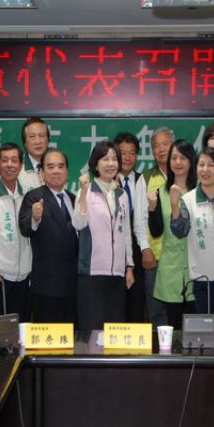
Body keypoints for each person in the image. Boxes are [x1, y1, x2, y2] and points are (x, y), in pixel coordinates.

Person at [72, 141, 134, 330]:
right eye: (105, 159)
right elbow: (78, 224)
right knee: (92, 330)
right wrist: (83, 193)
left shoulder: (122, 195)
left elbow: (126, 233)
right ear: (95, 164)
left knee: (114, 330)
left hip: (117, 274)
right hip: (92, 273)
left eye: (114, 159)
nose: (111, 164)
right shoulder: (86, 191)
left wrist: (129, 266)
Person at [170, 147, 214, 327]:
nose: (205, 170)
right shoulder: (188, 199)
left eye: (211, 165)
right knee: (206, 333)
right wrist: (174, 206)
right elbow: (180, 231)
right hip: (203, 279)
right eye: (201, 165)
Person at [19, 149, 78, 323]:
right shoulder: (34, 197)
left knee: (72, 336)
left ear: (67, 172)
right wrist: (35, 218)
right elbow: (25, 228)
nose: (56, 171)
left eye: (61, 166)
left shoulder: (74, 199)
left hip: (74, 284)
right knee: (48, 337)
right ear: (42, 173)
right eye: (50, 167)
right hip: (47, 286)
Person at [0, 142, 32, 322]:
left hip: (24, 277)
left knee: (22, 329)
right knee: (1, 332)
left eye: (14, 160)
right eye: (5, 160)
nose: (10, 165)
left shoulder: (28, 193)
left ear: (21, 165)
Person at [148, 139, 197, 330]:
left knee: (197, 328)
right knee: (174, 327)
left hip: (197, 267)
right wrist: (152, 208)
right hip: (171, 268)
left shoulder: (200, 189)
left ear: (191, 161)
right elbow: (156, 231)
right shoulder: (160, 192)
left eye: (183, 158)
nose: (178, 162)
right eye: (174, 158)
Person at [134, 127, 173, 328]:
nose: (161, 149)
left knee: (179, 310)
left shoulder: (185, 173)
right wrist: (145, 249)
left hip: (181, 258)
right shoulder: (146, 178)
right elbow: (140, 219)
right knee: (156, 311)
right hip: (155, 256)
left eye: (165, 144)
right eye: (156, 146)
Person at [114, 132, 146, 322]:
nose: (127, 157)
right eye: (122, 152)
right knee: (115, 308)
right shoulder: (106, 182)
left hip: (139, 253)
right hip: (114, 255)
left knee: (136, 307)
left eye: (132, 153)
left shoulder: (144, 180)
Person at [18, 117, 49, 191]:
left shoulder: (57, 166)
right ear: (25, 143)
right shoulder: (17, 171)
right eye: (32, 136)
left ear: (48, 140)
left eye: (41, 136)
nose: (37, 141)